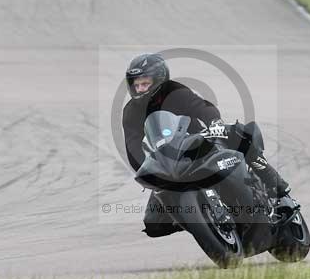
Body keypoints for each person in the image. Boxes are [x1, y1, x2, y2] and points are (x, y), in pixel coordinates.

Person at [121, 53, 291, 238]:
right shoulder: (131, 111)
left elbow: (201, 107)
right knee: (153, 225)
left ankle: (278, 188)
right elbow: (132, 145)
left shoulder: (176, 92)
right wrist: (145, 169)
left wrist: (215, 123)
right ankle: (198, 218)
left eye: (144, 83)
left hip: (201, 143)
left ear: (159, 79)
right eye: (136, 85)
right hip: (170, 162)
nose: (139, 89)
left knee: (238, 133)